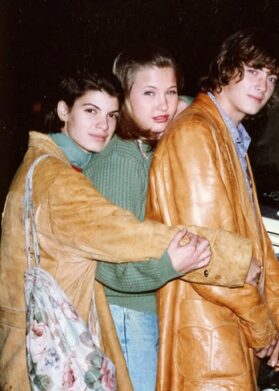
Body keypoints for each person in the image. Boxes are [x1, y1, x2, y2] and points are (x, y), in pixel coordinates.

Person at [0, 69, 254, 390]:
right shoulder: (59, 181)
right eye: (90, 111)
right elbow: (128, 233)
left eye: (111, 115)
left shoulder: (43, 163)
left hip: (38, 341)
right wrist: (233, 257)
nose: (103, 126)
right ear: (64, 111)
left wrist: (176, 106)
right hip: (50, 352)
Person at [146, 28, 279, 390]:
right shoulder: (197, 133)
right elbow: (209, 254)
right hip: (206, 336)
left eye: (271, 76)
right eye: (254, 70)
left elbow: (258, 243)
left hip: (226, 329)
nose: (263, 84)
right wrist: (264, 330)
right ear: (226, 68)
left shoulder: (229, 137)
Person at [82, 45, 209, 390]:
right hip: (125, 312)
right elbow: (107, 261)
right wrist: (168, 266)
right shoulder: (122, 158)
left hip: (142, 308)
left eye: (170, 92)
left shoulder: (144, 149)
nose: (164, 105)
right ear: (123, 98)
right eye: (149, 93)